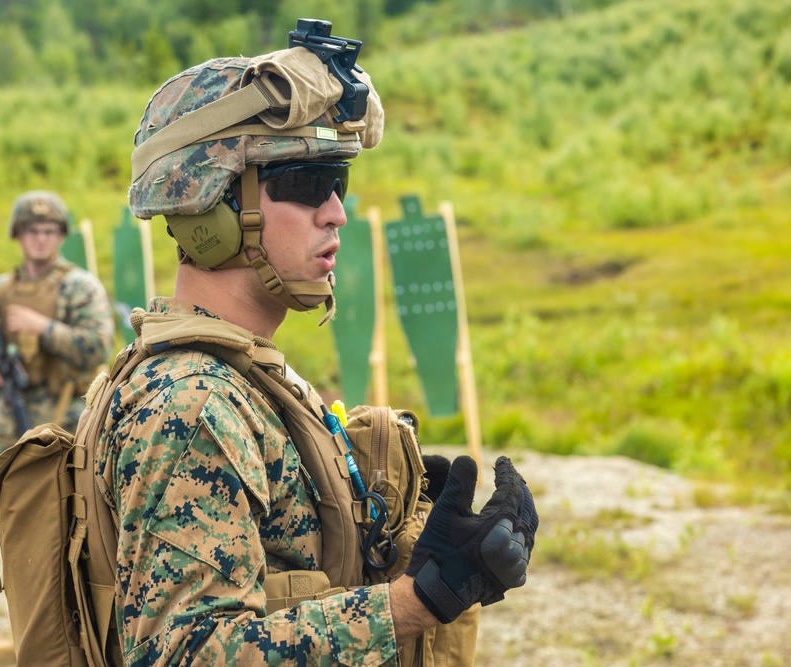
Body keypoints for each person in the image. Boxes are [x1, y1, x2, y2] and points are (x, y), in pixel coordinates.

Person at [96, 23, 538, 666]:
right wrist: (419, 602)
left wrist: (401, 531)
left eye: (340, 183)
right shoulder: (191, 406)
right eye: (305, 184)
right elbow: (187, 652)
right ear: (211, 207)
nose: (336, 212)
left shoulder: (245, 377)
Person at [0, 190, 114, 457]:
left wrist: (45, 328)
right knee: (6, 498)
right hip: (9, 425)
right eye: (32, 231)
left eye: (49, 231)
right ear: (17, 234)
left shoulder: (80, 287)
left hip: (66, 426)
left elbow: (101, 347)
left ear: (61, 235)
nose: (41, 239)